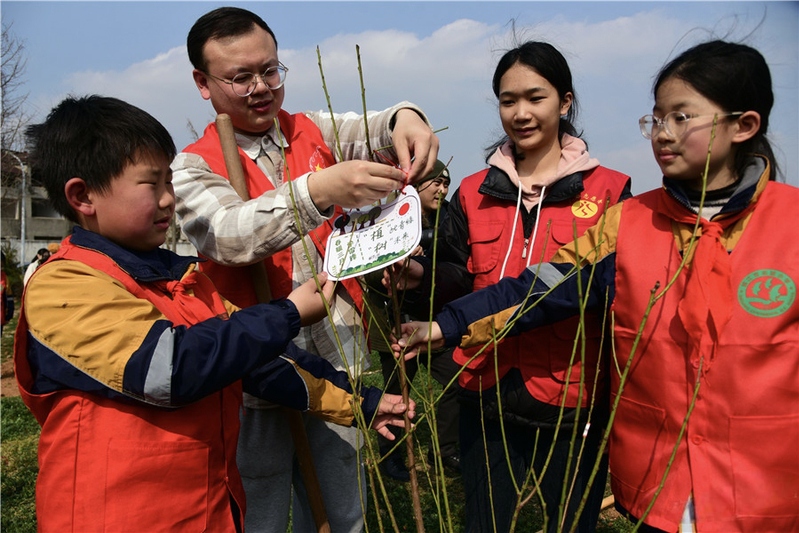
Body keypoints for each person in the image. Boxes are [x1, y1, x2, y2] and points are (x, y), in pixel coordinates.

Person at [395, 40, 798, 533]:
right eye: (656, 119)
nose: (663, 134)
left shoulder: (788, 224)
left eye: (681, 118)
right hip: (659, 478)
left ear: (744, 125)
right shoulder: (629, 223)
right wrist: (445, 322)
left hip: (765, 483)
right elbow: (539, 288)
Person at [15, 95, 414, 532]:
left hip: (204, 511)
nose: (168, 201)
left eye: (169, 183)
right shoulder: (65, 285)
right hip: (118, 517)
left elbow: (259, 362)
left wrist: (361, 401)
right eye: (151, 185)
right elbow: (171, 367)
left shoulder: (182, 280)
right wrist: (286, 314)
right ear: (82, 196)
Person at [171, 7, 438, 532]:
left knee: (344, 505)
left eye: (270, 70)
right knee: (261, 507)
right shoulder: (193, 166)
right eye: (240, 77)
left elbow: (378, 127)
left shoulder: (314, 129)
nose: (261, 88)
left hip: (339, 357)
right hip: (256, 371)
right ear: (203, 83)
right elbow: (229, 234)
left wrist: (407, 117)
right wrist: (317, 191)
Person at [388, 41, 631, 532]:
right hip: (484, 387)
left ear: (565, 102)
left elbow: (607, 292)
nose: (521, 113)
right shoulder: (473, 191)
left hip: (571, 397)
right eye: (507, 100)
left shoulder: (609, 190)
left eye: (535, 98)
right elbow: (455, 275)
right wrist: (420, 276)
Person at [364, 159, 462, 482]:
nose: (442, 190)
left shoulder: (449, 220)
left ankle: (445, 450)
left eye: (446, 184)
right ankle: (391, 456)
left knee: (456, 378)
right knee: (397, 394)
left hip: (432, 325)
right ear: (417, 186)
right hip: (394, 324)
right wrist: (398, 264)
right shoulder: (390, 217)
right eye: (436, 183)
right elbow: (370, 272)